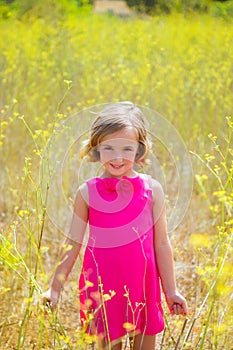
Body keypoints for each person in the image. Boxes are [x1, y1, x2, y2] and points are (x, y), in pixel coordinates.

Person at [42, 102, 188, 350]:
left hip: (143, 289)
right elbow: (73, 242)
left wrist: (171, 291)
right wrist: (54, 288)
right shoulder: (87, 193)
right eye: (108, 148)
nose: (117, 157)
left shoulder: (152, 190)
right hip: (101, 290)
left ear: (139, 151)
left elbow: (162, 243)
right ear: (96, 148)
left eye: (126, 148)